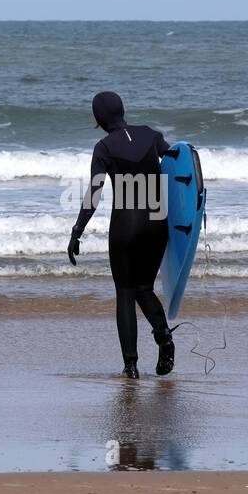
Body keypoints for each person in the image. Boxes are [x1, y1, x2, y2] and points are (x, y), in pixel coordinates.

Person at [68, 92, 175, 379]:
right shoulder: (152, 135)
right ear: (123, 110)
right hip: (157, 222)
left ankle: (131, 366)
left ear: (100, 119)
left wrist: (77, 231)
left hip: (125, 227)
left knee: (125, 293)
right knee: (145, 288)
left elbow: (94, 193)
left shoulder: (103, 147)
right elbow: (179, 163)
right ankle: (164, 338)